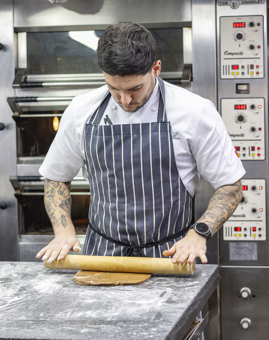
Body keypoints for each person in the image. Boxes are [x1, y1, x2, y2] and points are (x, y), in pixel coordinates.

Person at [36, 21, 245, 264]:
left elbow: (231, 186)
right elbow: (56, 177)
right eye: (113, 88)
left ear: (156, 69)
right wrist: (64, 232)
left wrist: (199, 233)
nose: (125, 99)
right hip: (101, 256)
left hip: (172, 256)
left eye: (135, 88)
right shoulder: (81, 110)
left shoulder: (194, 111)